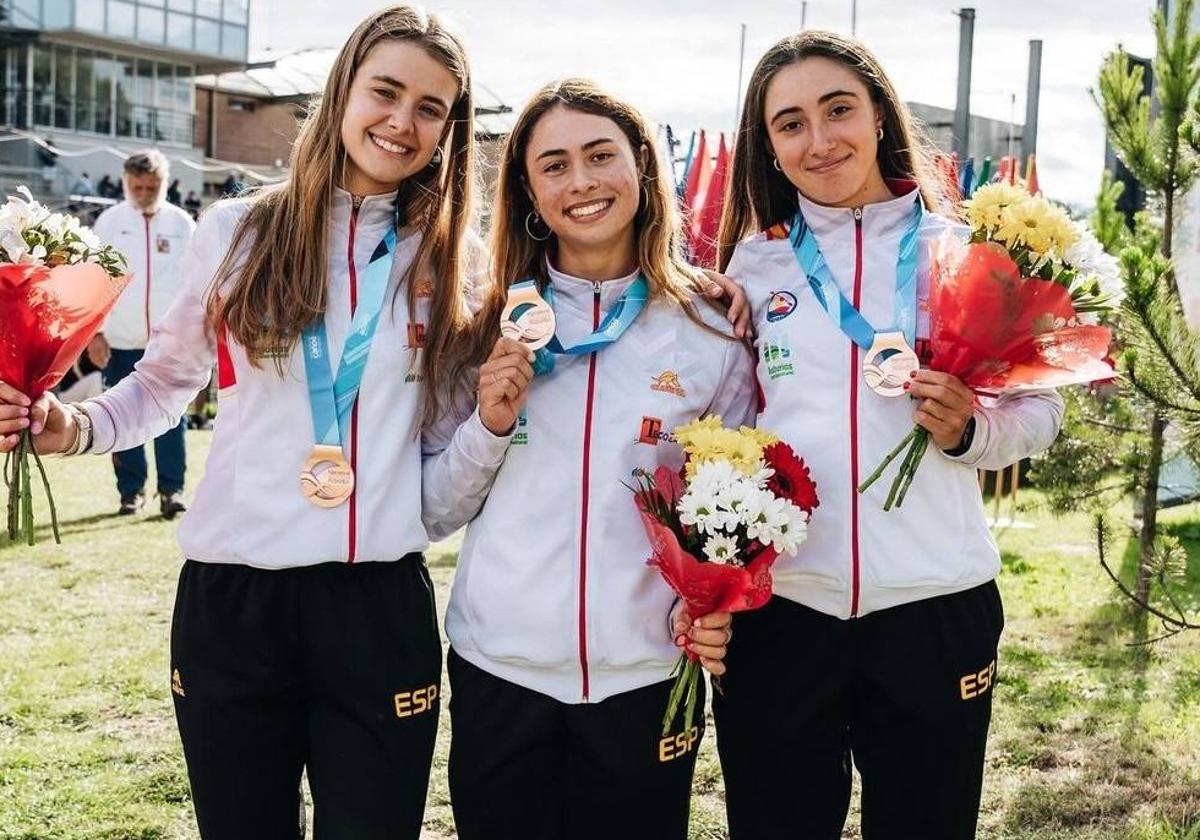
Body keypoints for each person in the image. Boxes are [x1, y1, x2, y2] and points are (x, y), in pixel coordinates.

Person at [0, 7, 526, 838]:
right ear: (342, 92)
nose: (402, 122)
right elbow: (167, 382)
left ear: (451, 129)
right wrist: (76, 426)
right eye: (385, 92)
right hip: (232, 605)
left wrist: (491, 428)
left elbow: (438, 483)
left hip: (377, 606)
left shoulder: (447, 262)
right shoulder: (234, 231)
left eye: (432, 108)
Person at [711, 30, 1064, 840]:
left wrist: (971, 432)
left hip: (935, 607)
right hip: (784, 612)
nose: (819, 139)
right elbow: (727, 425)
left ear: (879, 116)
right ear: (768, 145)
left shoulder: (966, 254)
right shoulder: (753, 269)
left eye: (838, 110)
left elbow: (1044, 411)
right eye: (789, 123)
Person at [424, 78, 749, 840]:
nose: (582, 182)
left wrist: (713, 599)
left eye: (601, 156)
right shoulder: (483, 329)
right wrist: (489, 425)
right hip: (498, 668)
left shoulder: (709, 326)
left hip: (644, 674)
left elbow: (734, 504)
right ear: (531, 195)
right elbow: (433, 509)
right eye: (555, 166)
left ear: (641, 167)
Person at [89, 150, 198, 518]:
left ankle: (172, 490)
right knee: (123, 419)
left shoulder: (183, 224)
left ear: (164, 184)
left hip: (169, 343)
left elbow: (196, 282)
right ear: (126, 183)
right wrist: (96, 332)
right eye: (137, 186)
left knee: (172, 419)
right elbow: (94, 281)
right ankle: (130, 492)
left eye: (152, 186)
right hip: (121, 341)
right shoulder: (109, 222)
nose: (145, 192)